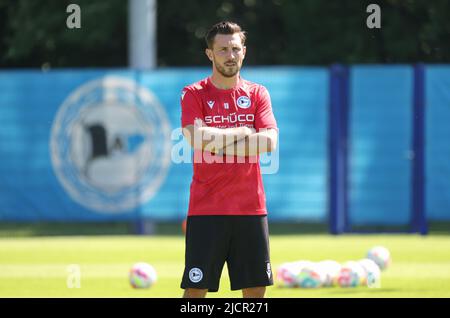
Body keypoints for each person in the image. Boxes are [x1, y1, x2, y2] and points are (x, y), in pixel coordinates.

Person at [180, 21, 278, 298]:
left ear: (244, 52)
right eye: (222, 49)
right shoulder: (194, 93)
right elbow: (194, 137)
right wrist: (243, 133)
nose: (230, 55)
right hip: (206, 209)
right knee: (196, 290)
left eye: (235, 49)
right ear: (209, 53)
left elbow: (268, 142)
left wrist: (215, 142)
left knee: (256, 291)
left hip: (251, 208)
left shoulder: (258, 93)